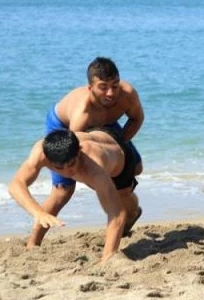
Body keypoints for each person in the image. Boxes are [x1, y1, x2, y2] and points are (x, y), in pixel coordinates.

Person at [31, 57, 144, 249]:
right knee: (63, 190)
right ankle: (33, 243)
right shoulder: (82, 113)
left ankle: (129, 213)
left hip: (106, 125)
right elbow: (79, 154)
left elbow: (137, 118)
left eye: (115, 86)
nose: (111, 93)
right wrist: (101, 180)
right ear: (90, 88)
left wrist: (120, 145)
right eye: (103, 87)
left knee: (135, 168)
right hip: (66, 129)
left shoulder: (127, 95)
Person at [9, 127, 140, 265]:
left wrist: (107, 257)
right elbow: (15, 185)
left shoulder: (95, 169)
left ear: (79, 152)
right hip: (95, 133)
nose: (67, 172)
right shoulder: (41, 152)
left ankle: (135, 212)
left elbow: (117, 214)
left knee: (126, 208)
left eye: (72, 164)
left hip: (120, 164)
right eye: (59, 168)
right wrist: (38, 212)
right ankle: (32, 245)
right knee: (59, 194)